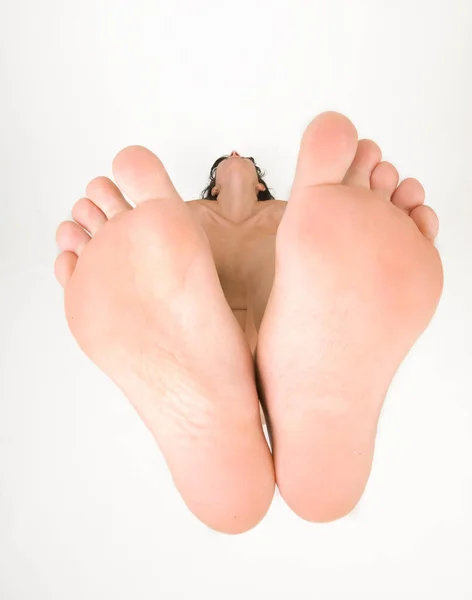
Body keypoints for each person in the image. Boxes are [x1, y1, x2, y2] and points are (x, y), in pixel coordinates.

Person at [54, 111, 443, 534]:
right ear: (213, 187)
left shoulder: (283, 216)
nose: (236, 154)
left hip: (266, 321)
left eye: (245, 161)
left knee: (294, 253)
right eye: (224, 163)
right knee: (200, 252)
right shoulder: (182, 220)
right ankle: (316, 373)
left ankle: (296, 360)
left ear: (260, 185)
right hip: (241, 328)